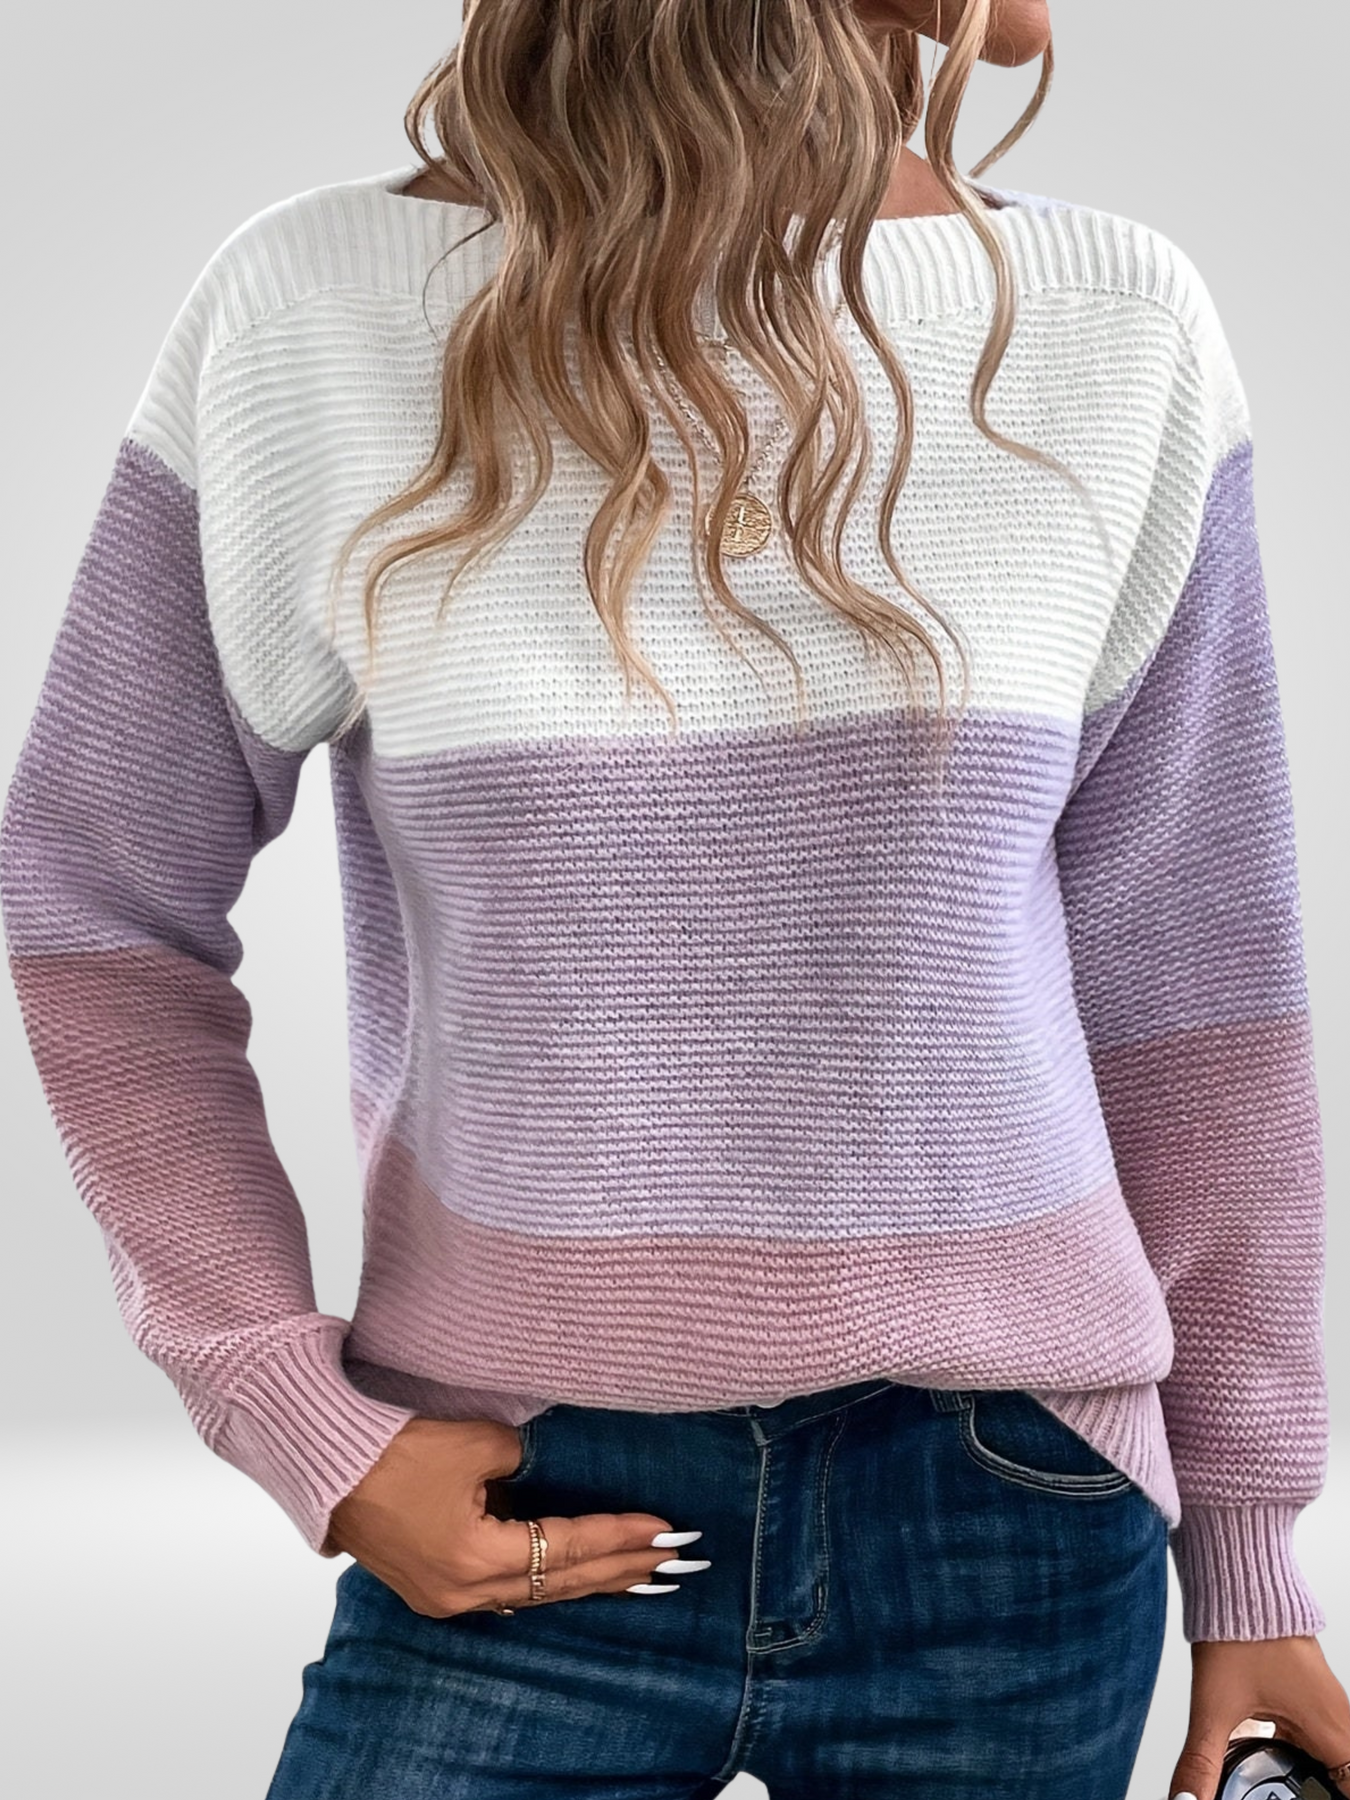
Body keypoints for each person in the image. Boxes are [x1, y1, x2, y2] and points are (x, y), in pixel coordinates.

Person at [2, 1, 1347, 1795]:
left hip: (1010, 1513)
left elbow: (1190, 977)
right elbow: (97, 896)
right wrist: (286, 1400)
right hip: (511, 1490)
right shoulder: (315, 313)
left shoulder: (1115, 323)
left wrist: (1247, 1547)